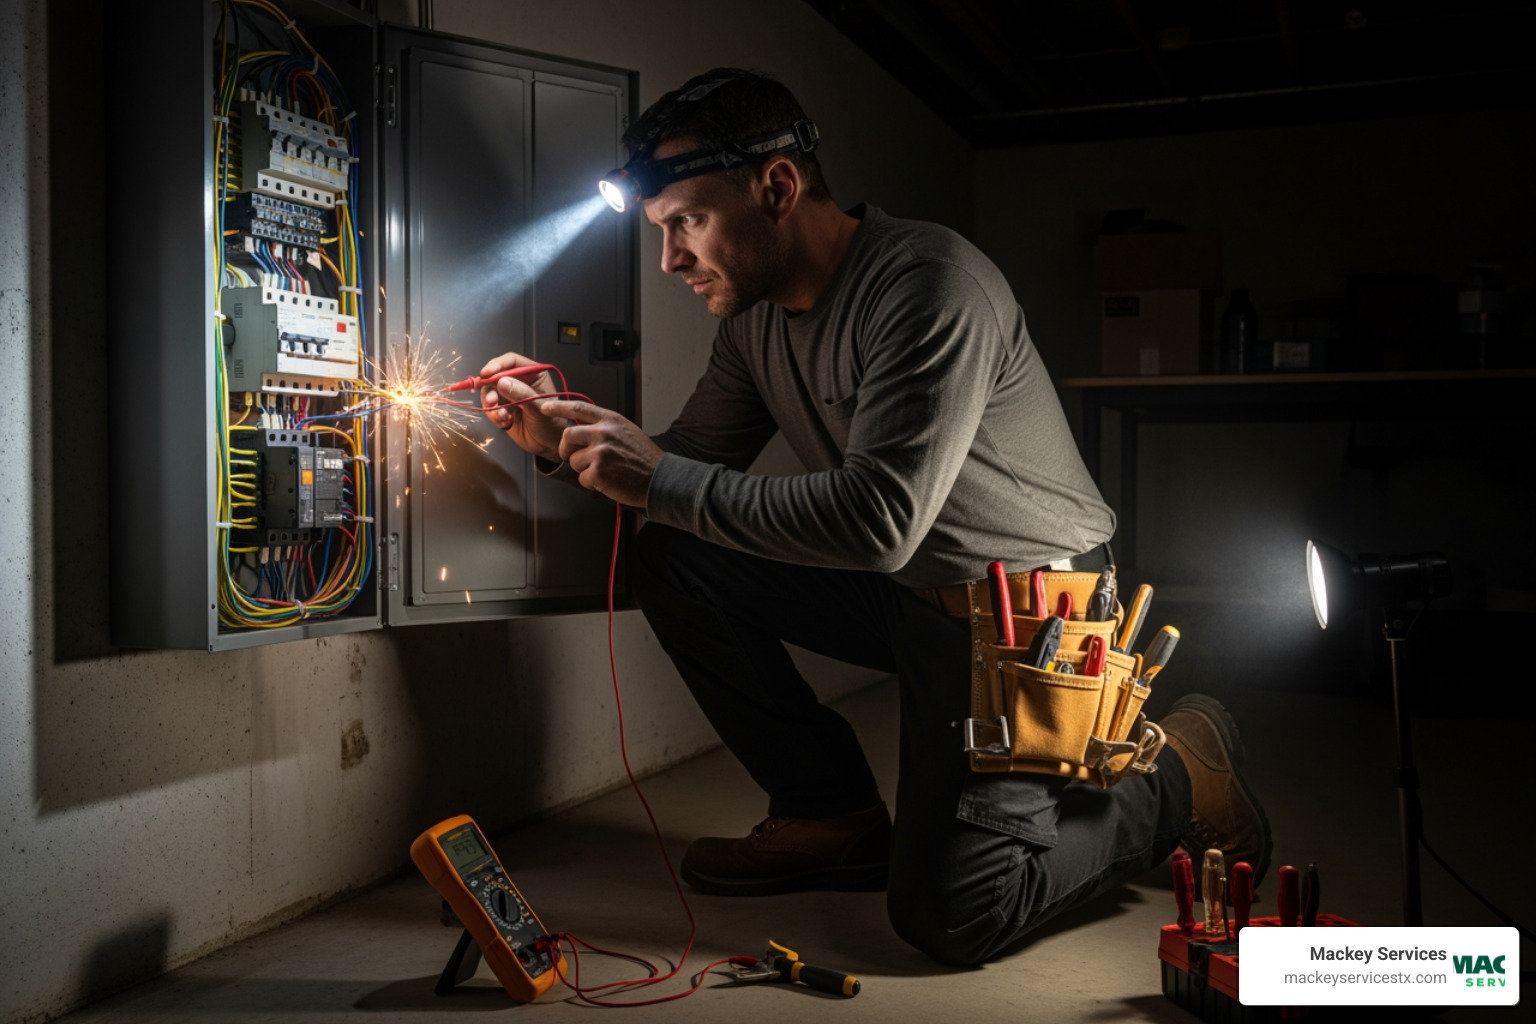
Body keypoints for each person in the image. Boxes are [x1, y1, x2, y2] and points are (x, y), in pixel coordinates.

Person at [478, 68, 1271, 966]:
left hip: (1030, 621)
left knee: (955, 914)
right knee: (675, 555)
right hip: (909, 592)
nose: (669, 261)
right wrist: (557, 436)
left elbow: (877, 519)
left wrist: (656, 478)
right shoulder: (755, 322)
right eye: (661, 232)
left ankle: (1175, 775)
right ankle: (830, 816)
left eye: (684, 224)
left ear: (777, 187)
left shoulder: (930, 284)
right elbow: (690, 468)